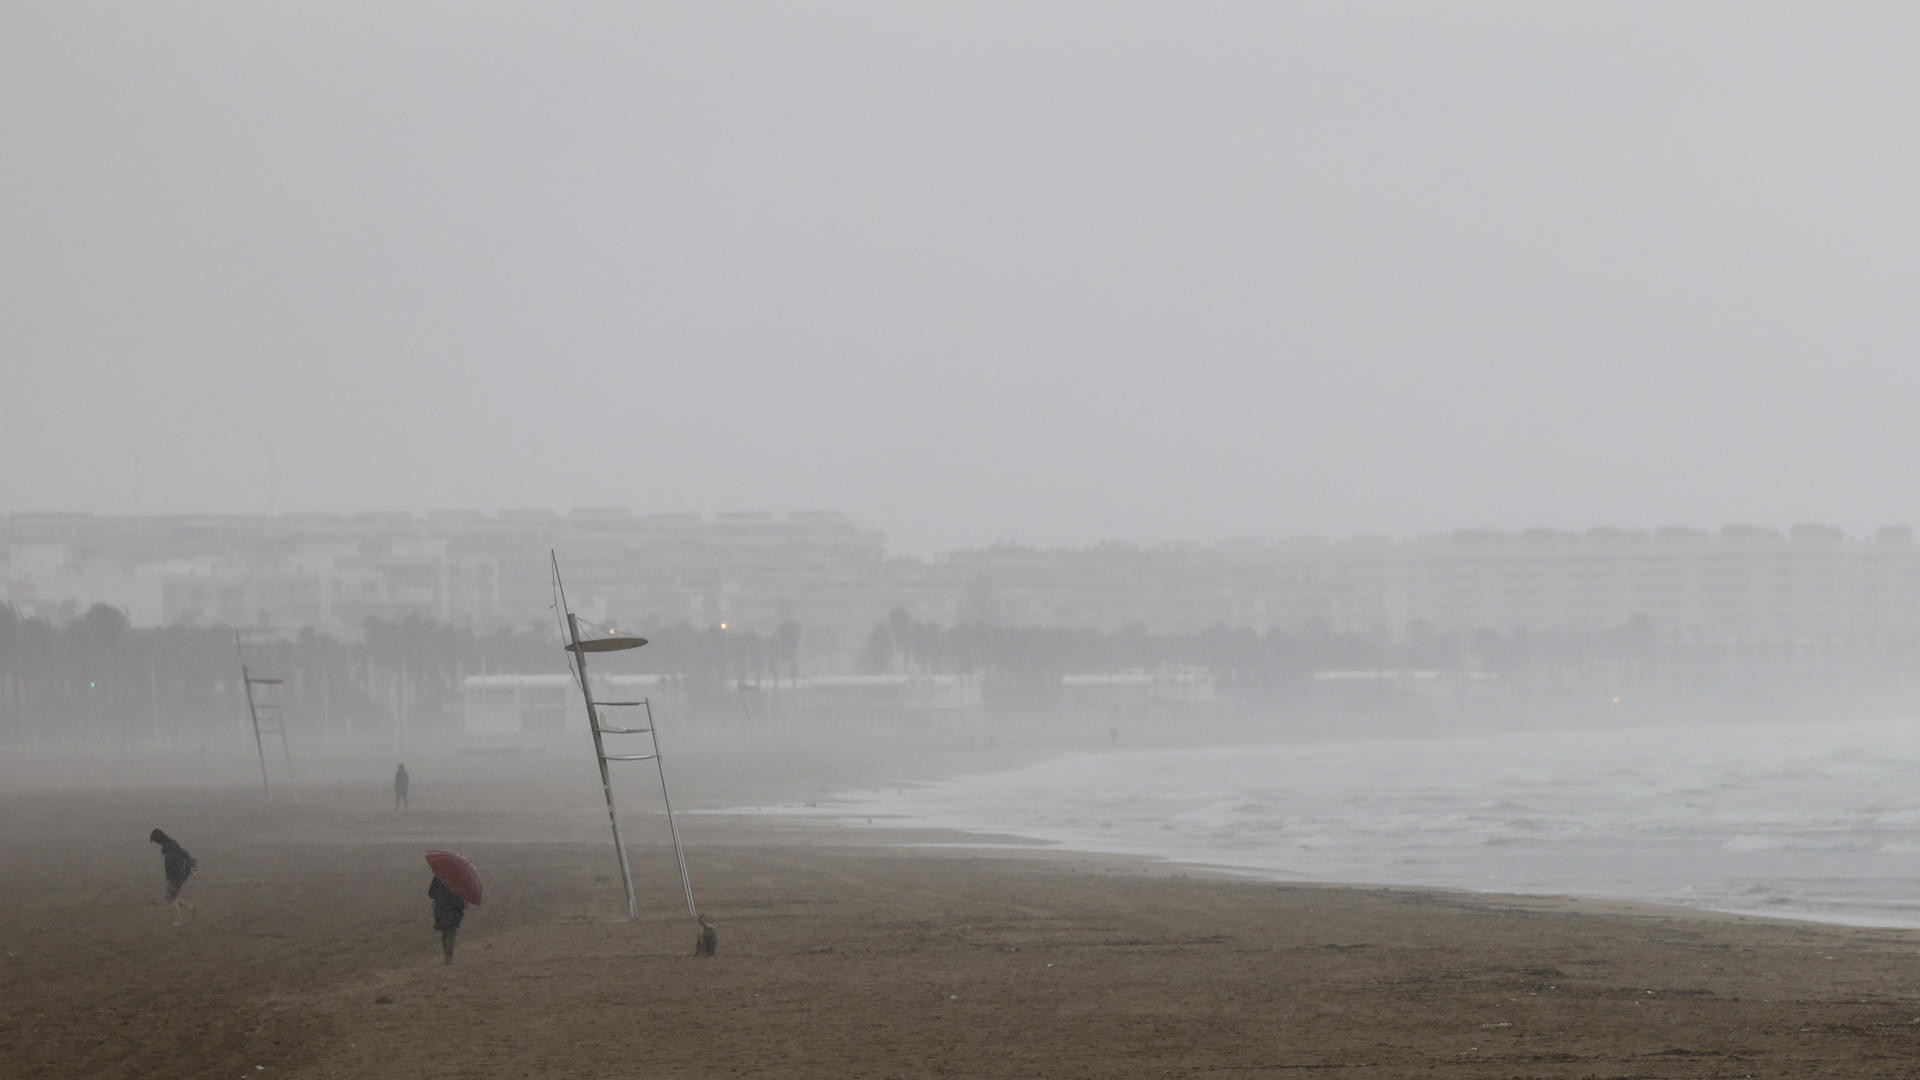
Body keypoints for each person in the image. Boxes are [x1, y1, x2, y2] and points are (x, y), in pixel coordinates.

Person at [149, 828, 197, 926]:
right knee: (172, 897)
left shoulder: (170, 849)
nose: (157, 843)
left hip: (175, 876)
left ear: (159, 840)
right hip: (179, 875)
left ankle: (179, 920)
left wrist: (172, 878)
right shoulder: (172, 844)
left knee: (172, 899)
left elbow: (173, 865)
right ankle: (191, 907)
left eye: (156, 841)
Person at [429, 876, 467, 964]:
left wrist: (440, 896)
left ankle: (447, 955)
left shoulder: (439, 876)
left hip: (441, 908)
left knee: (445, 932)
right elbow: (464, 892)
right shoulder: (459, 877)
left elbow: (431, 893)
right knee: (451, 932)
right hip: (454, 908)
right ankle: (449, 957)